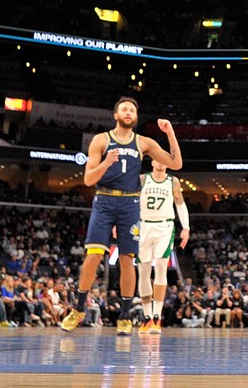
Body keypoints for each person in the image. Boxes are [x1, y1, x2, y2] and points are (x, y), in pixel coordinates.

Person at [61, 97, 182, 335]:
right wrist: (106, 163)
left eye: (132, 110)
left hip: (130, 203)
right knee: (92, 258)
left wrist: (170, 132)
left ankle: (125, 315)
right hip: (104, 200)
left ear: (135, 117)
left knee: (128, 260)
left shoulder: (143, 142)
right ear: (115, 114)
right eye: (124, 109)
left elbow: (176, 163)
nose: (128, 112)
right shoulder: (101, 140)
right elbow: (88, 179)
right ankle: (78, 308)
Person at [136, 158, 189, 334]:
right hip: (143, 226)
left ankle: (157, 317)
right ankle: (146, 316)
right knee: (143, 272)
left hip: (165, 226)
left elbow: (180, 204)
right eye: (157, 159)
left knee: (160, 268)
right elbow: (130, 202)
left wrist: (186, 228)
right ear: (151, 163)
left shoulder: (173, 181)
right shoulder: (142, 179)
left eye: (163, 160)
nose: (160, 162)